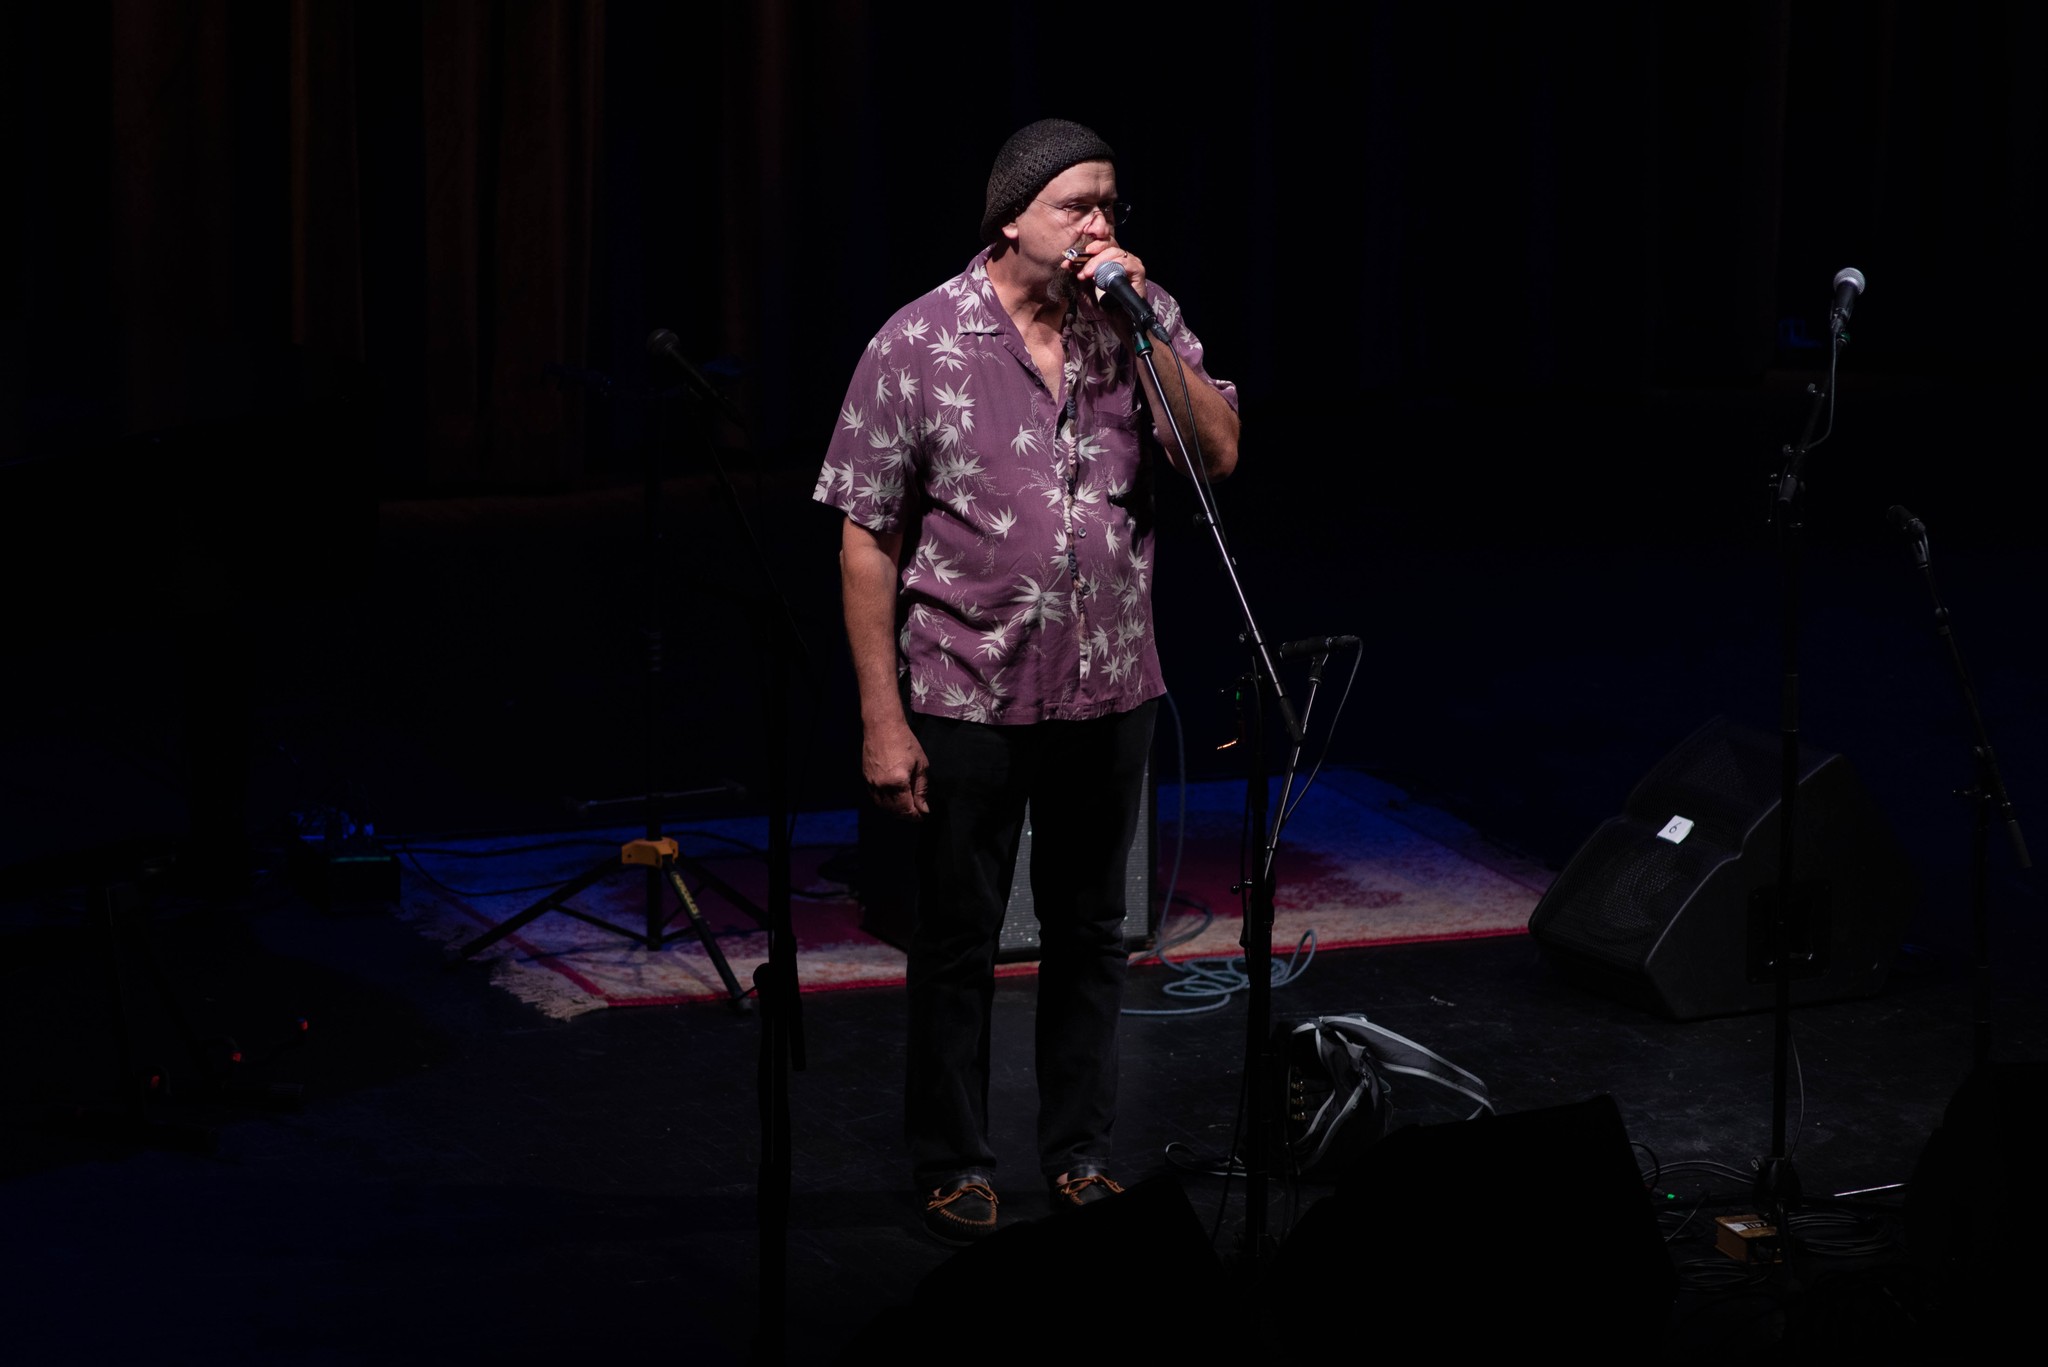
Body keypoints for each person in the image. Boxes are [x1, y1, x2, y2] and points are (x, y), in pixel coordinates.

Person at [814, 117, 1239, 1245]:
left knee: (1090, 931)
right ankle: (953, 1157)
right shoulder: (916, 343)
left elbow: (1218, 454)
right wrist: (878, 718)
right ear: (1011, 218)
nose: (1099, 225)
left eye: (1110, 205)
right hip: (963, 690)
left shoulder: (1135, 327)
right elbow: (866, 535)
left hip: (1108, 685)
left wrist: (1151, 336)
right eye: (1075, 205)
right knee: (956, 938)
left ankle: (1077, 1149)